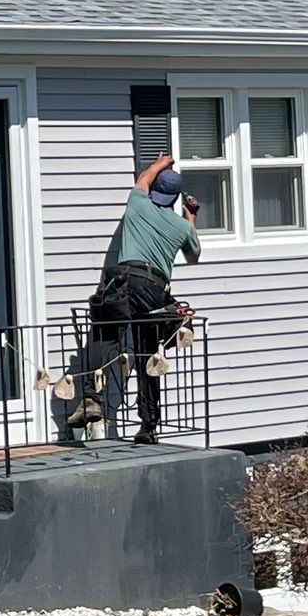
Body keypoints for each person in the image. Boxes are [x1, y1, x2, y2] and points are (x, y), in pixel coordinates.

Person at [90, 152, 203, 444]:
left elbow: (143, 179)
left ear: (154, 190)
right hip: (154, 290)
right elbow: (194, 256)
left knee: (106, 339)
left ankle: (92, 401)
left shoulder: (137, 204)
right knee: (147, 356)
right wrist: (190, 215)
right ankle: (149, 425)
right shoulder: (181, 226)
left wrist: (160, 164)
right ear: (175, 197)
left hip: (122, 282)